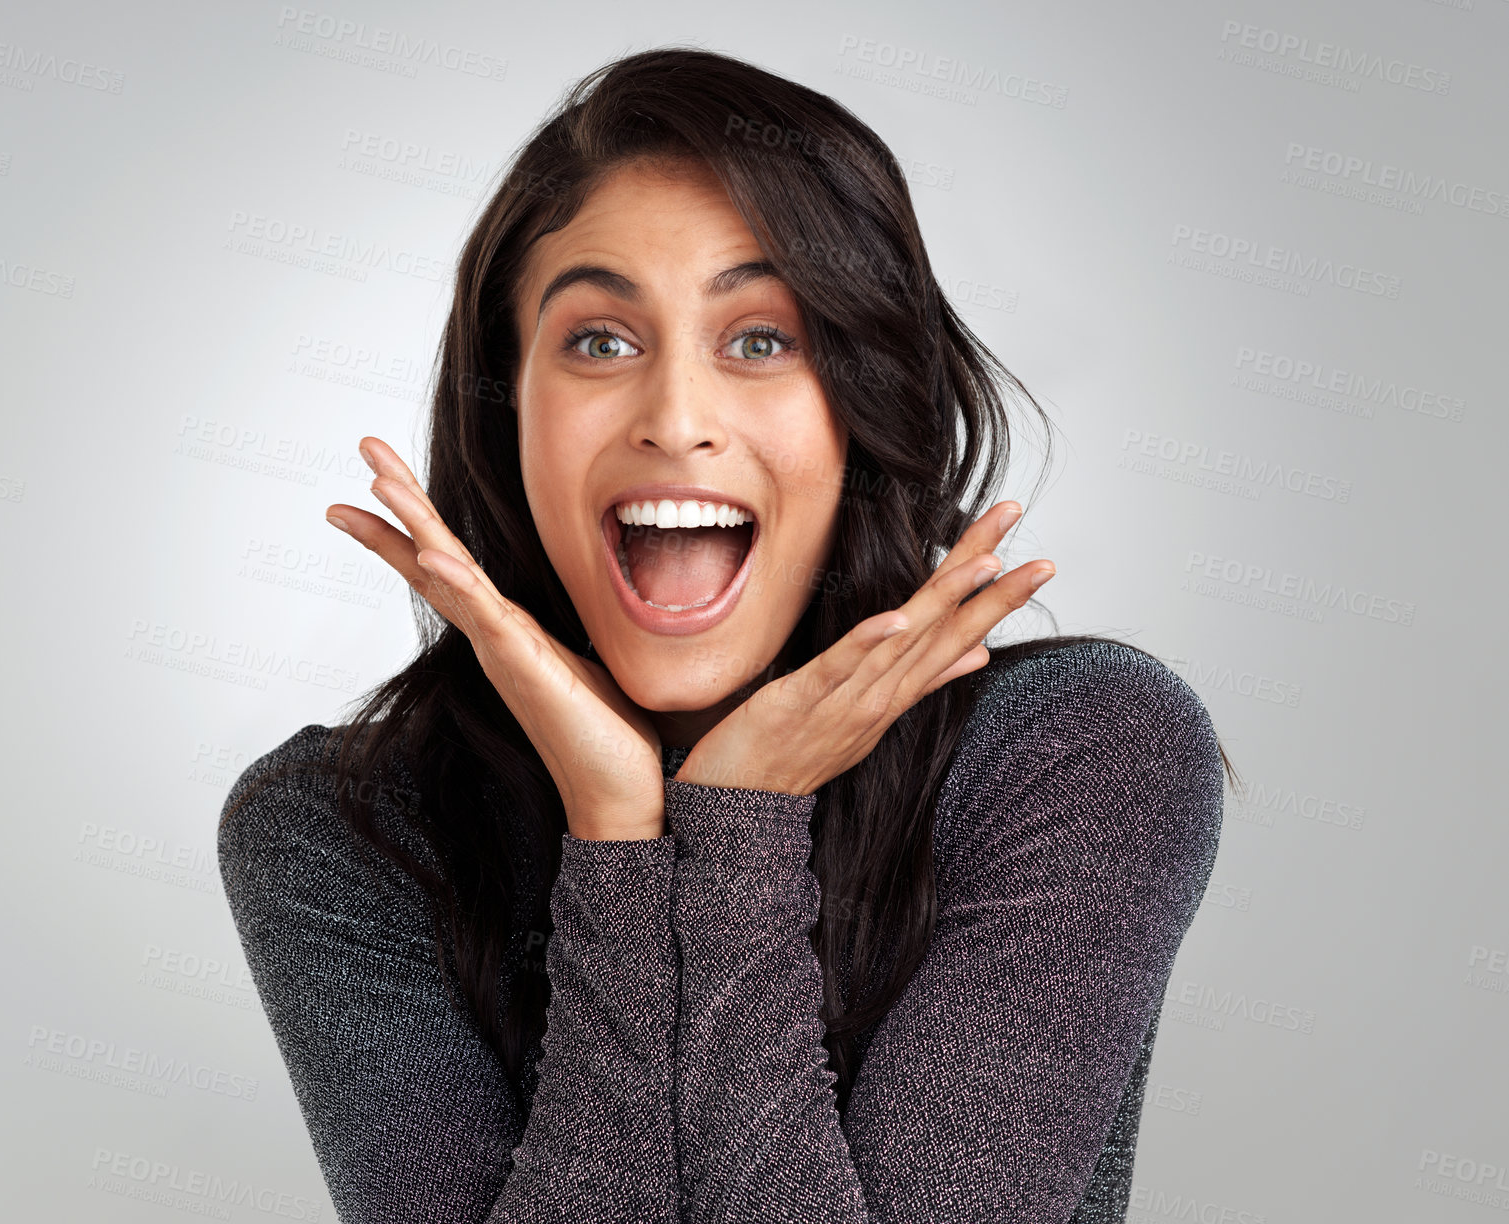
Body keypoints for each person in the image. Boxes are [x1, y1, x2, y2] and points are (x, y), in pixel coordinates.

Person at [217, 46, 1235, 1224]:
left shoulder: (1074, 756)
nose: (678, 421)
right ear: (509, 412)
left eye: (761, 339)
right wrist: (620, 834)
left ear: (861, 403)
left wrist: (733, 832)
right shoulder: (338, 833)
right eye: (600, 340)